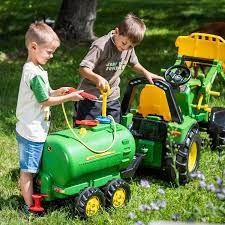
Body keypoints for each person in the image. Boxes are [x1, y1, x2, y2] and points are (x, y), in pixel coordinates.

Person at [15, 22, 83, 214]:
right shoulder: (33, 73)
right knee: (28, 171)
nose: (51, 56)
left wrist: (58, 91)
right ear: (34, 47)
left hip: (36, 129)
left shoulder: (37, 69)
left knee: (34, 167)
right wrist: (68, 98)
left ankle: (36, 195)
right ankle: (29, 207)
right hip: (31, 131)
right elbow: (44, 100)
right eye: (49, 52)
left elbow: (45, 93)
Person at [75, 13, 164, 123]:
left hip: (112, 95)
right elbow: (83, 68)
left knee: (115, 126)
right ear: (116, 32)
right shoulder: (101, 46)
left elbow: (133, 63)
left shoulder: (127, 48)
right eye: (124, 43)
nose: (125, 48)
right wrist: (97, 78)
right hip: (92, 96)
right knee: (88, 128)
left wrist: (146, 73)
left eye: (130, 46)